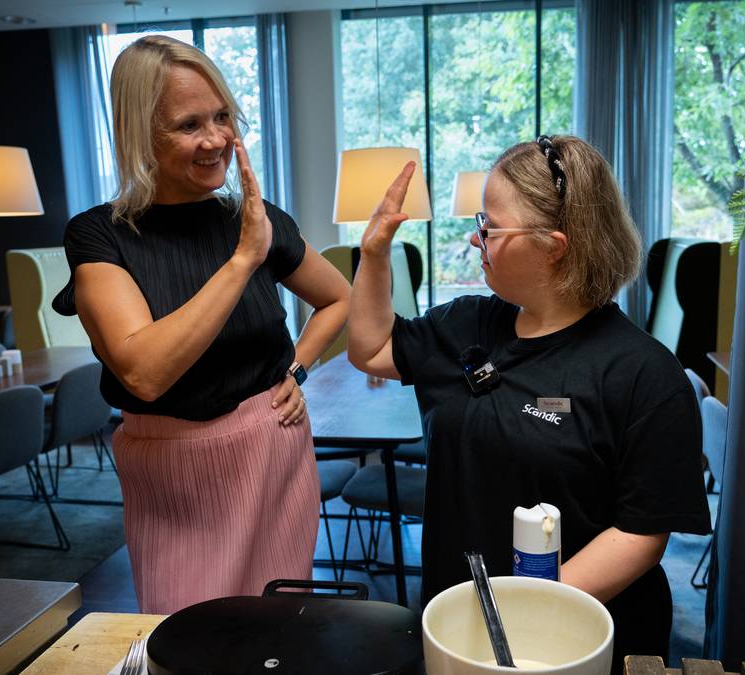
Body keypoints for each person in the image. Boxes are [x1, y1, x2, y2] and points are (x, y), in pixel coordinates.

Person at [348, 135, 711, 662]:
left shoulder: (644, 375)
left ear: (553, 246)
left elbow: (641, 532)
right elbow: (372, 347)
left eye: (490, 228)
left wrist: (529, 609)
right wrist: (375, 252)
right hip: (461, 626)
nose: (477, 240)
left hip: (574, 640)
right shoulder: (465, 324)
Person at [53, 36, 350, 614]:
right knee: (183, 630)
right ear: (141, 133)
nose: (216, 139)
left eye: (223, 118)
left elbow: (338, 299)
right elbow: (143, 373)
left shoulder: (255, 218)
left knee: (278, 626)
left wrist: (298, 367)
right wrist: (243, 260)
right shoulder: (99, 236)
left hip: (273, 452)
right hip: (171, 472)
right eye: (190, 124)